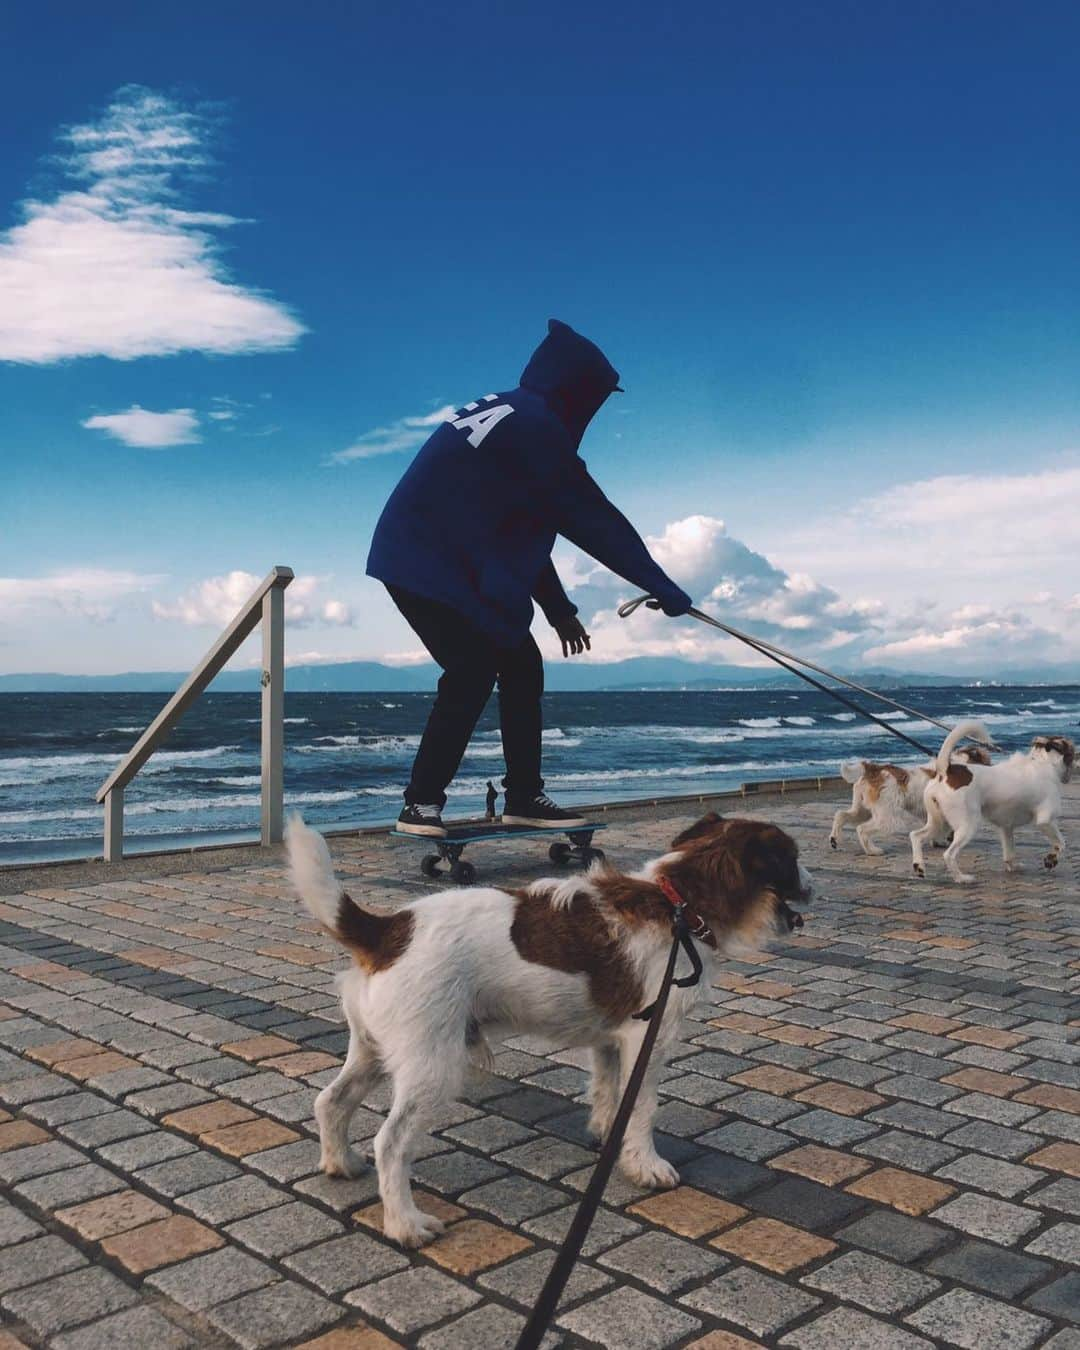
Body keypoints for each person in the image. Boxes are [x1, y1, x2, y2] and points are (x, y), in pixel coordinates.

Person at [367, 319, 692, 838]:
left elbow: (524, 527)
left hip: (433, 557)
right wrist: (663, 585)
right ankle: (421, 804)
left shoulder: (509, 410)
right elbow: (591, 517)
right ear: (576, 388)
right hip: (428, 561)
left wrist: (559, 610)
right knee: (472, 669)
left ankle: (523, 796)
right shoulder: (535, 426)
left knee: (520, 662)